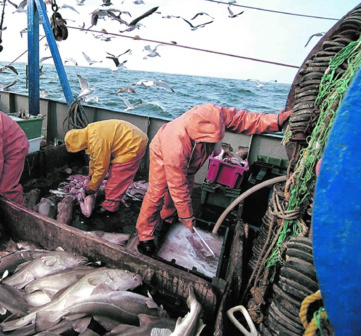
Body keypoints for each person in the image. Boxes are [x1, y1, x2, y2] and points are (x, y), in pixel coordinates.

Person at [136, 103, 292, 256]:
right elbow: (177, 184)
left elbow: (244, 119)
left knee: (186, 190)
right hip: (163, 153)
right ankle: (145, 235)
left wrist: (276, 121)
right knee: (157, 192)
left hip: (193, 157)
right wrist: (187, 216)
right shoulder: (175, 144)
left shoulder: (217, 115)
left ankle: (168, 219)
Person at [64, 119, 148, 213]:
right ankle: (111, 201)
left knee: (117, 178)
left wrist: (92, 187)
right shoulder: (90, 132)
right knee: (113, 175)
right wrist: (91, 175)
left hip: (133, 144)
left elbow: (101, 169)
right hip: (130, 137)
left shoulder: (97, 141)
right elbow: (94, 158)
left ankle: (110, 207)